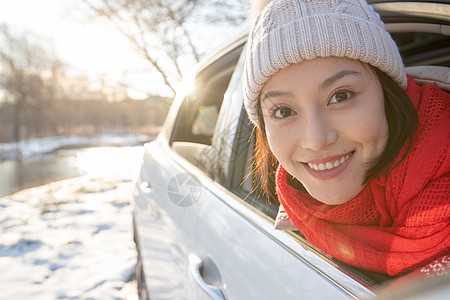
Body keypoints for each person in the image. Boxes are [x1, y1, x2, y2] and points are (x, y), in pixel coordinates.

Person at [243, 0, 449, 276]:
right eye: (283, 111)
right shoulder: (296, 206)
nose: (316, 140)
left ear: (388, 93)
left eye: (341, 96)